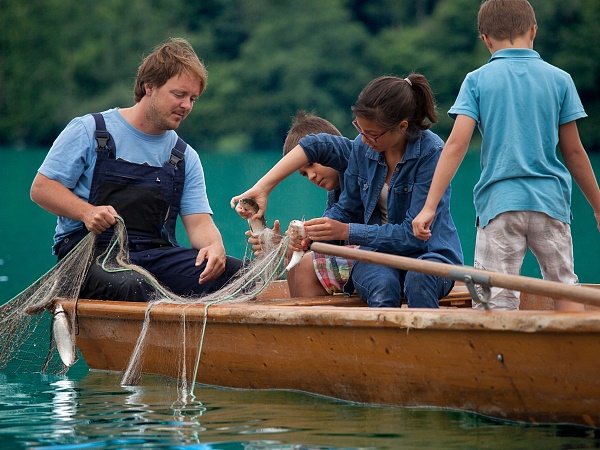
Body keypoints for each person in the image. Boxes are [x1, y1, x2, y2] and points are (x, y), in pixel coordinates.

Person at [412, 0, 600, 311]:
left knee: (493, 298)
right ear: (533, 30)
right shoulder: (560, 79)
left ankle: (496, 358)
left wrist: (428, 206)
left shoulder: (477, 80)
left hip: (498, 206)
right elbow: (575, 152)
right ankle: (571, 355)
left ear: (484, 39)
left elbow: (456, 145)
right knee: (565, 288)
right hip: (550, 203)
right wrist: (597, 206)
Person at [30, 37, 243, 302]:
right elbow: (41, 189)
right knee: (135, 285)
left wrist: (214, 246)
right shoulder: (88, 130)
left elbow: (199, 222)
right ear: (149, 87)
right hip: (87, 254)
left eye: (193, 99)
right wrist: (86, 212)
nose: (187, 106)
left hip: (153, 254)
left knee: (238, 274)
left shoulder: (185, 156)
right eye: (179, 95)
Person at [234, 75, 464, 308]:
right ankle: (383, 344)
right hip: (376, 256)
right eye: (360, 129)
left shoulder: (431, 153)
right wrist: (308, 229)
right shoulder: (364, 149)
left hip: (429, 255)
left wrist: (345, 231)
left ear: (401, 126)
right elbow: (343, 201)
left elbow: (411, 235)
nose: (364, 139)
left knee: (419, 279)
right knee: (381, 284)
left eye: (372, 133)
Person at [233, 110, 357, 297]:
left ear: (330, 151)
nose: (312, 176)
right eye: (304, 174)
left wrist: (263, 188)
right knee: (293, 254)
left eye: (312, 164)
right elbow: (324, 238)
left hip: (379, 259)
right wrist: (282, 246)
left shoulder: (356, 168)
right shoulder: (335, 194)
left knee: (306, 263)